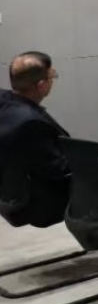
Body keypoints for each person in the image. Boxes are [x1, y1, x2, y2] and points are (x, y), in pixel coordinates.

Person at [0, 52, 69, 228]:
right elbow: (59, 171)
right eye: (52, 77)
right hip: (39, 204)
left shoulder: (5, 101)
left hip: (10, 191)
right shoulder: (30, 123)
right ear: (42, 86)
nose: (53, 81)